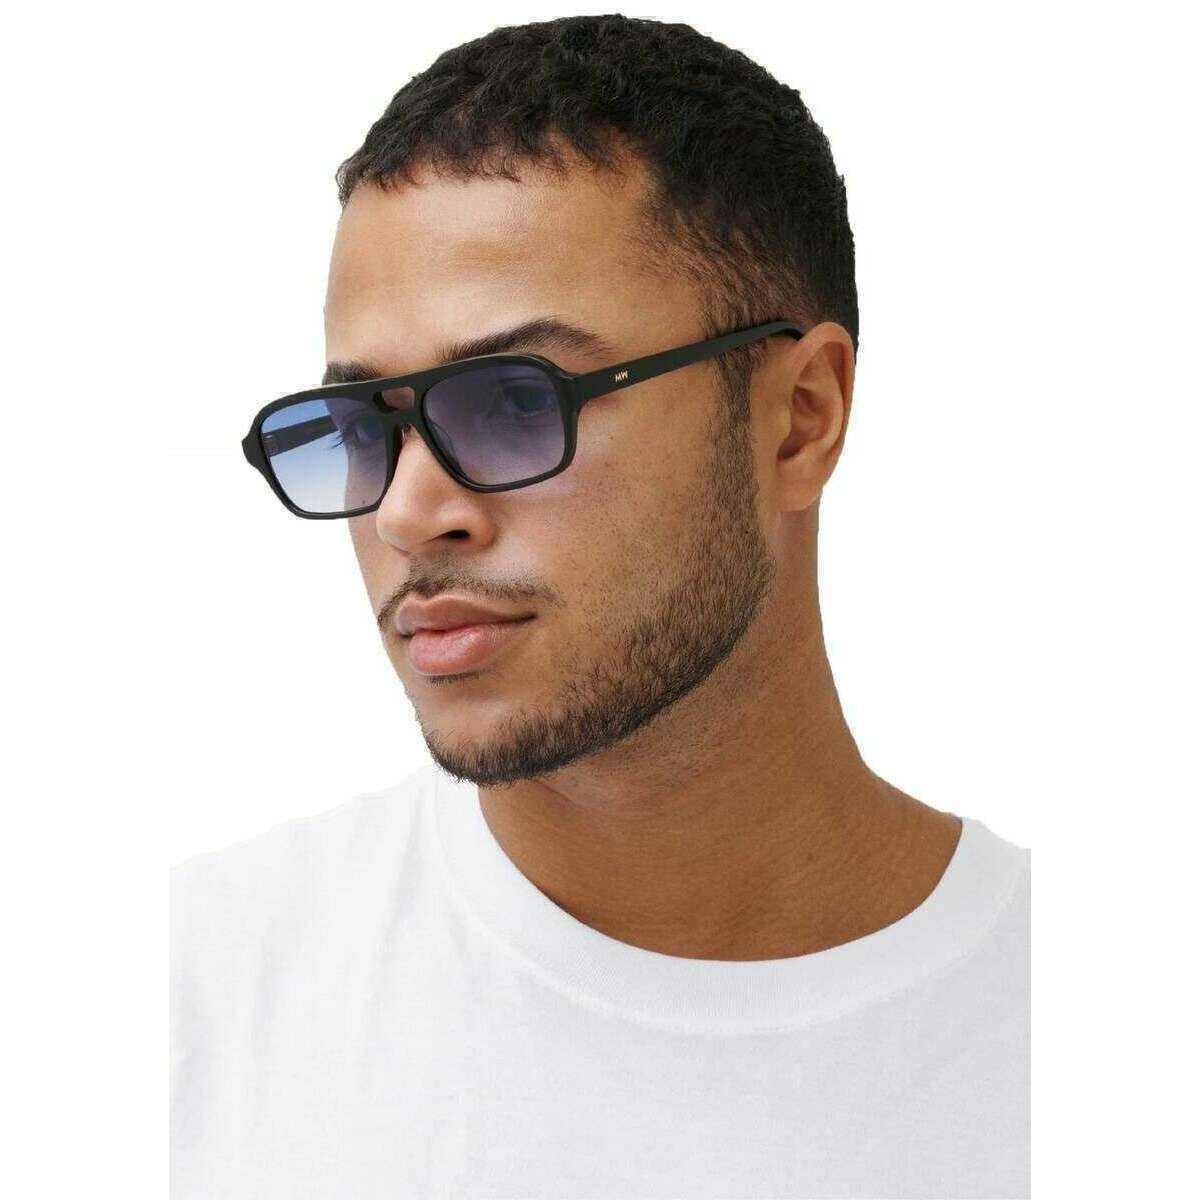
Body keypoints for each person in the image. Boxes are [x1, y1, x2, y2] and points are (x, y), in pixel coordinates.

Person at [172, 13, 1030, 1198]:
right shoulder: (190, 1005)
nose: (410, 513)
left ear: (800, 420)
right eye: (366, 426)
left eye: (513, 403)